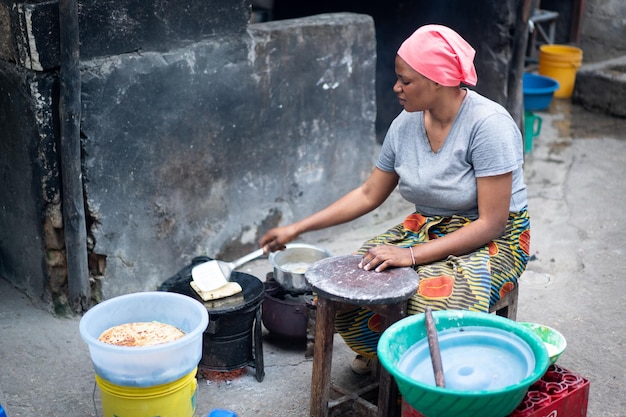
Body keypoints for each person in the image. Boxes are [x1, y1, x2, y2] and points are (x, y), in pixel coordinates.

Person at [259, 24, 530, 374]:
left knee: (432, 298)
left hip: (495, 240)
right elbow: (369, 193)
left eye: (406, 80)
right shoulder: (405, 124)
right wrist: (297, 228)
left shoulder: (488, 125)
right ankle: (386, 354)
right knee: (351, 277)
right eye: (397, 78)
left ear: (439, 80)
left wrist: (410, 256)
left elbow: (492, 223)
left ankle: (427, 378)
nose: (396, 87)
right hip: (429, 228)